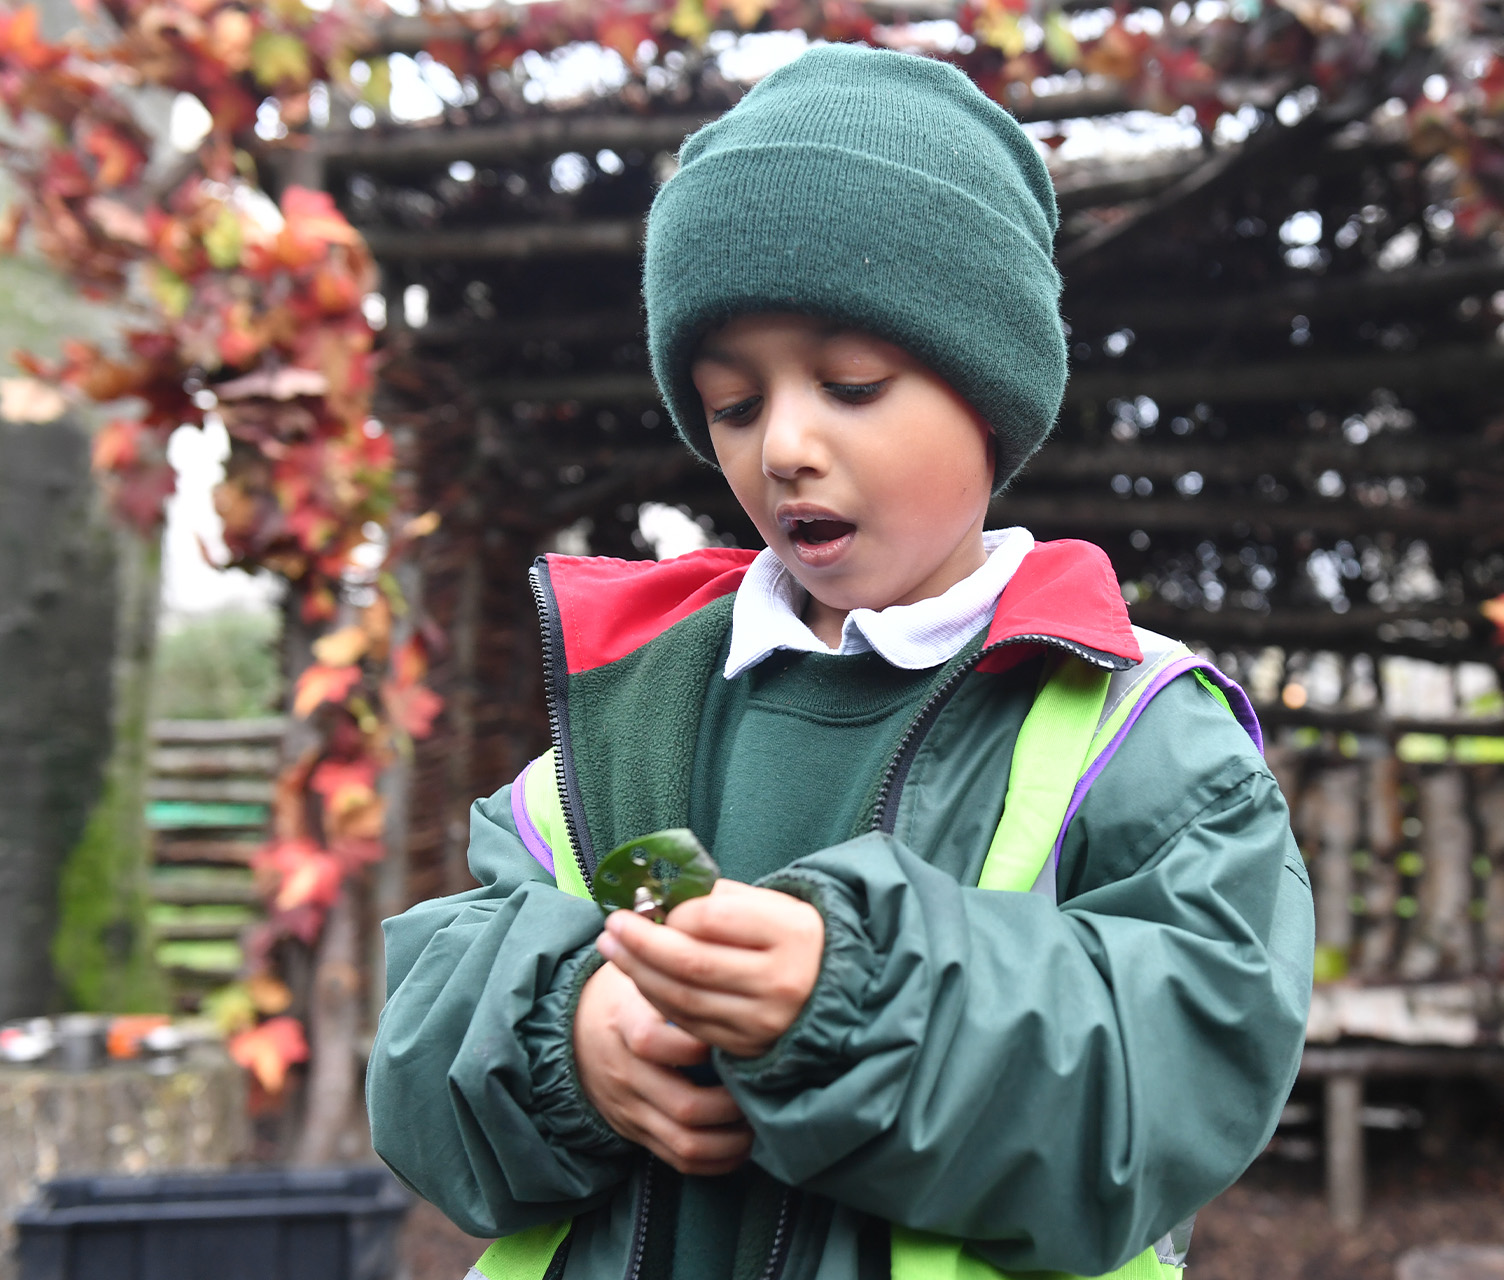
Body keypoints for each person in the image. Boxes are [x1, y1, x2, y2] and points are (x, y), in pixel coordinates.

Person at [367, 42, 1314, 1280]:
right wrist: (571, 1045)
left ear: (991, 391)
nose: (786, 447)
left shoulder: (1132, 731)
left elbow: (1181, 1070)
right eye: (734, 403)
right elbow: (428, 1040)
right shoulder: (622, 712)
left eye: (852, 382)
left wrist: (860, 1007)